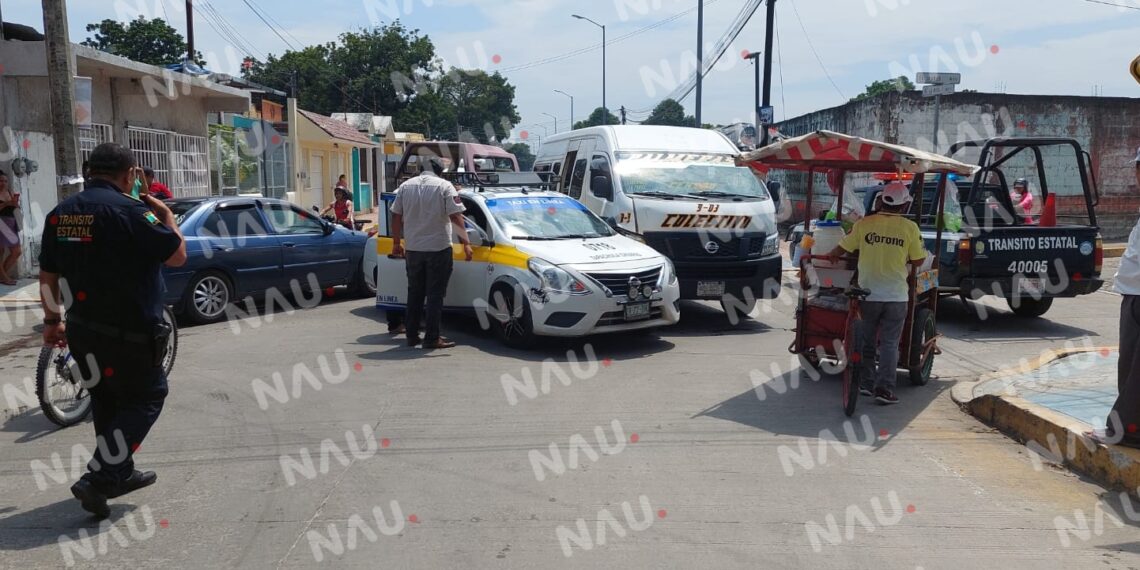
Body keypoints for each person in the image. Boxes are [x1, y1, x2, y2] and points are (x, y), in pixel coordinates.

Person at [39, 143, 187, 518]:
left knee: (106, 400)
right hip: (131, 332)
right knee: (148, 396)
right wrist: (166, 213)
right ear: (129, 175)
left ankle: (118, 473)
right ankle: (102, 476)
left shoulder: (61, 214)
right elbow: (177, 255)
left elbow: (48, 274)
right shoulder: (135, 212)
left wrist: (52, 321)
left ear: (89, 173)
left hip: (83, 331)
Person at [827, 182, 928, 405]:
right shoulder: (910, 228)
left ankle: (865, 383)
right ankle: (884, 389)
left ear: (881, 201)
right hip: (895, 296)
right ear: (903, 206)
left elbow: (840, 250)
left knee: (867, 341)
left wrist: (826, 256)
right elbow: (919, 260)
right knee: (890, 344)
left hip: (867, 295)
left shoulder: (864, 224)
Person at [390, 156, 473, 349]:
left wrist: (396, 242)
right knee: (435, 295)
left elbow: (396, 215)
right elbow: (456, 216)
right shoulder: (445, 186)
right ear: (440, 171)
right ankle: (432, 338)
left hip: (413, 249)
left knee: (414, 293)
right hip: (438, 248)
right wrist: (466, 244)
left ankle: (411, 336)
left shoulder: (405, 187)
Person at [1102, 147, 1140, 447]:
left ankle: (1126, 429)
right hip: (1132, 294)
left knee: (1133, 368)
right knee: (1128, 365)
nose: (1136, 175)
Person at [0, 171, 22, 285]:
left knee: (17, 251)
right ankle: (4, 277)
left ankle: (2, 275)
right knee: (1, 252)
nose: (3, 183)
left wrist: (15, 204)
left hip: (11, 224)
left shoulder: (9, 191)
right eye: (1, 181)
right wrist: (6, 204)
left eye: (5, 181)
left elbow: (15, 207)